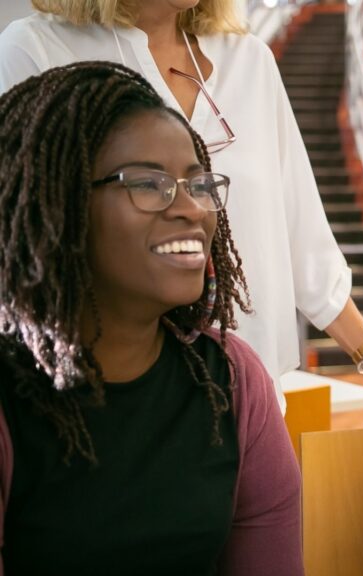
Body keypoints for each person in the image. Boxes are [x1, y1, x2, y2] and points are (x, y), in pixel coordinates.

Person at [0, 0, 363, 422]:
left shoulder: (250, 61)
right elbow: (25, 248)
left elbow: (302, 238)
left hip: (248, 406)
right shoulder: (37, 49)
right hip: (99, 407)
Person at [0, 61, 301, 575]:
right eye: (148, 183)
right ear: (63, 204)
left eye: (199, 184)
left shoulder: (231, 380)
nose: (192, 209)